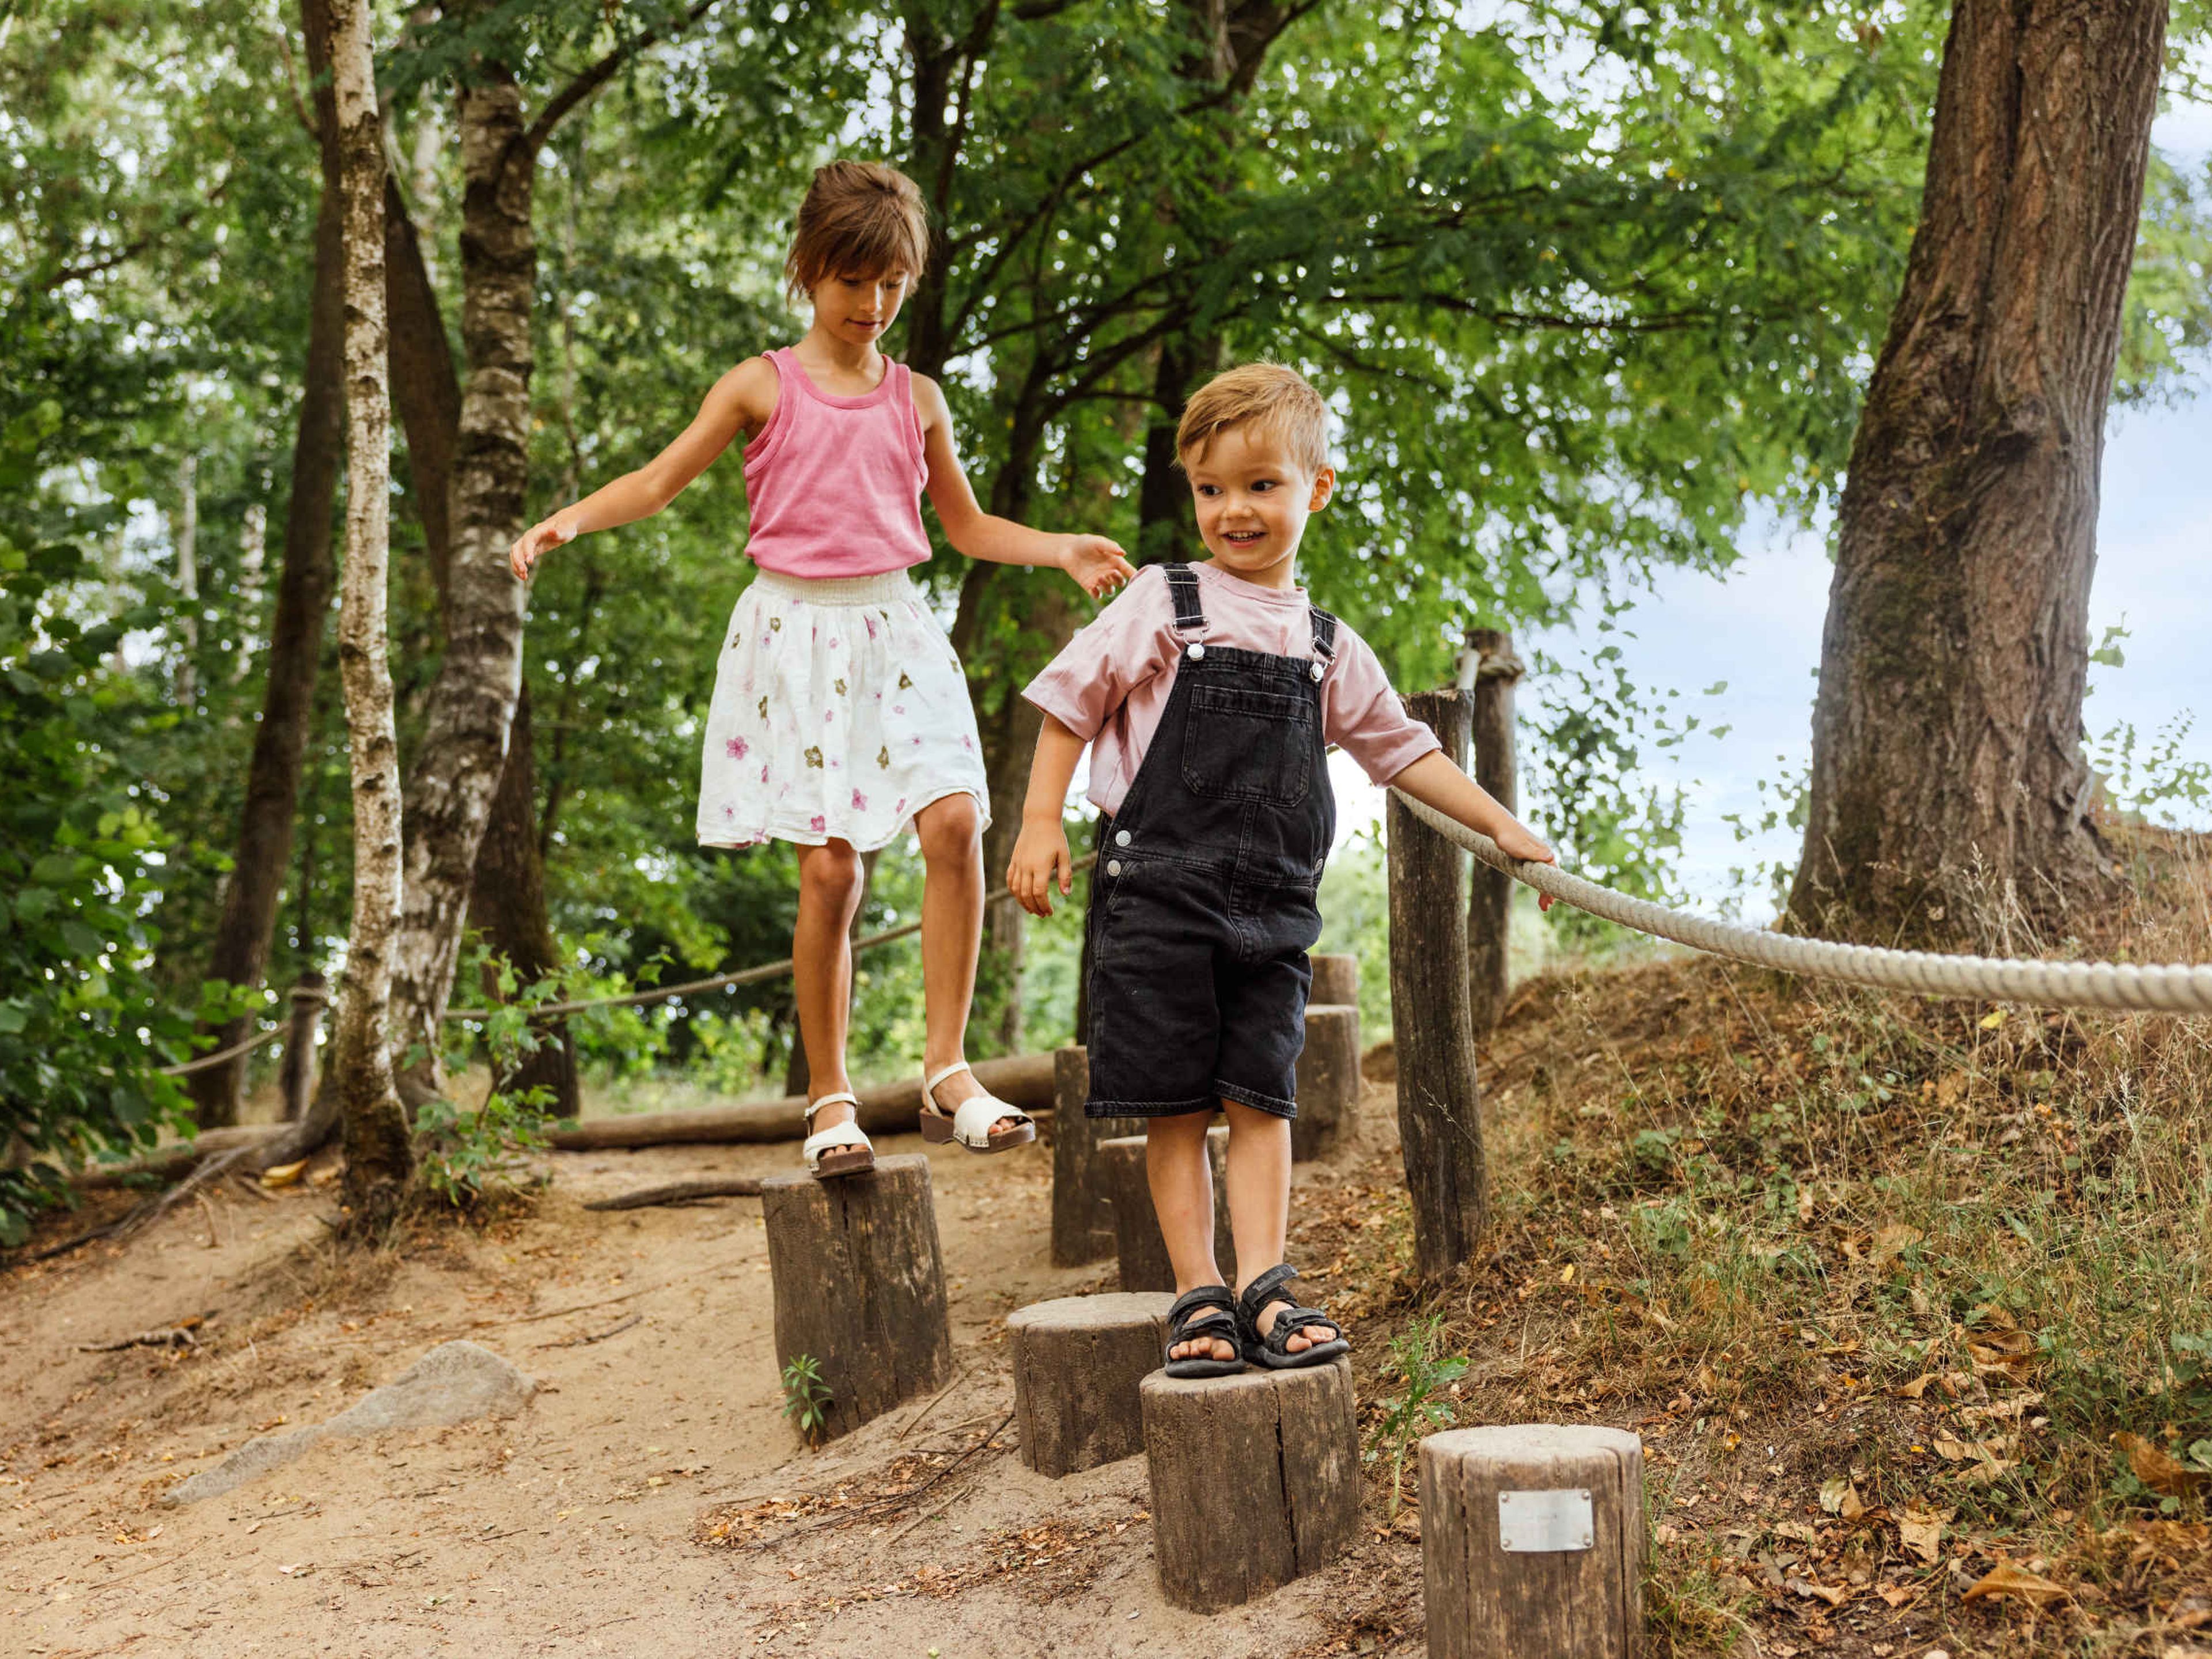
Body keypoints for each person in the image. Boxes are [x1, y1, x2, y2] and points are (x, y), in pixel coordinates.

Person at [510, 160, 1134, 1180]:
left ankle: (945, 1071)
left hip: (896, 628)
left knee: (956, 822)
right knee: (832, 870)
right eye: (855, 282)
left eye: (893, 284)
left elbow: (967, 527)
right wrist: (569, 519)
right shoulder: (762, 384)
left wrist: (1060, 545)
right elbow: (661, 481)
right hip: (795, 640)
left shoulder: (918, 398)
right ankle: (830, 1095)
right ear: (809, 270)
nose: (874, 305)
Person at [1008, 363, 1556, 1373]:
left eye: (1262, 484)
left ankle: (1263, 1285)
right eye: (1212, 489)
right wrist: (1042, 819)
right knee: (1175, 1106)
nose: (1235, 510)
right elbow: (1069, 703)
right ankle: (1196, 1295)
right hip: (1158, 893)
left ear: (1319, 488)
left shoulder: (1327, 646)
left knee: (1263, 1097)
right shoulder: (1161, 601)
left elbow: (1405, 752)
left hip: (1274, 908)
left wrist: (1504, 826)